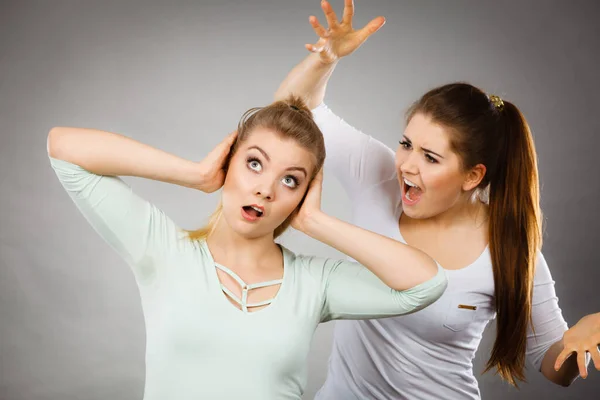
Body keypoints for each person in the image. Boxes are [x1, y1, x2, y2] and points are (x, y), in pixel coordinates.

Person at [275, 1, 600, 398]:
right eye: (406, 145)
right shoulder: (378, 176)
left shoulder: (509, 248)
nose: (407, 166)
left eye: (430, 158)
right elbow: (292, 110)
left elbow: (552, 366)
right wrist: (325, 60)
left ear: (472, 176)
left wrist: (577, 341)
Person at [46, 95, 447, 400]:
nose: (265, 188)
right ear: (229, 162)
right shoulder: (164, 250)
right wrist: (198, 175)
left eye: (290, 180)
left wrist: (316, 223)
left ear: (304, 195)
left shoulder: (315, 282)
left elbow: (425, 283)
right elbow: (64, 147)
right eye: (254, 163)